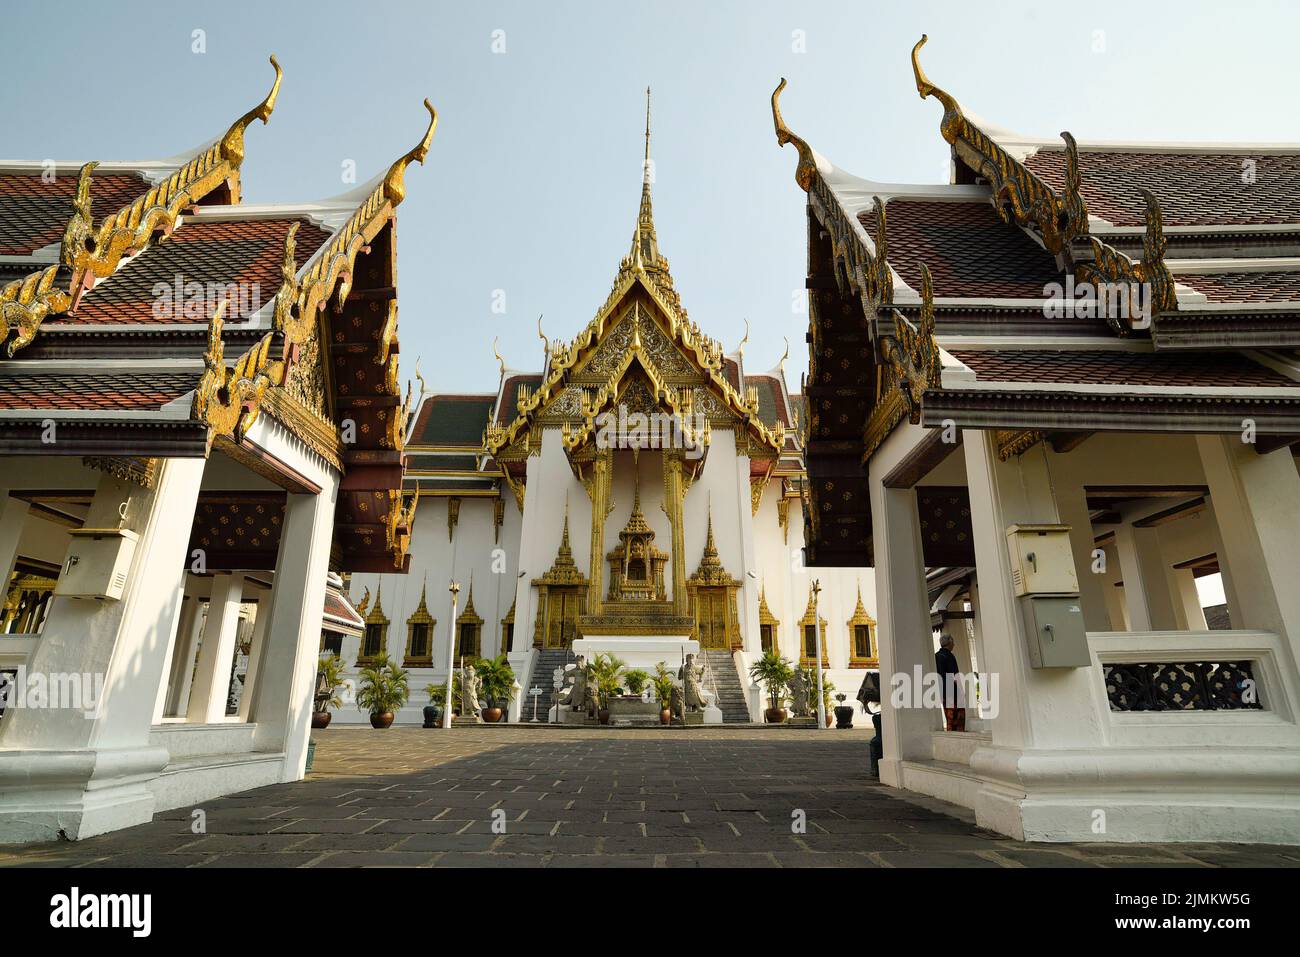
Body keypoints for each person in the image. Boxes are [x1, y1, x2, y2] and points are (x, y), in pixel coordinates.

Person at [935, 633, 965, 732]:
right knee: (958, 715)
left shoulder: (936, 656)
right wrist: (961, 690)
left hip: (941, 691)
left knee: (949, 716)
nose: (954, 645)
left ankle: (950, 734)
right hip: (952, 691)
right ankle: (958, 736)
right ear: (950, 643)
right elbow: (955, 675)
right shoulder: (949, 656)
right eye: (953, 642)